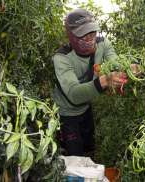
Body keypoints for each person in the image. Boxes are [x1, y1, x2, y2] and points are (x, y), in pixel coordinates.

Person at [52, 8, 128, 157]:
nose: (90, 39)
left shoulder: (103, 44)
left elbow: (116, 63)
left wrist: (128, 69)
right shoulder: (62, 58)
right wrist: (105, 80)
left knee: (89, 148)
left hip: (86, 108)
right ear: (71, 36)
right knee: (74, 156)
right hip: (67, 115)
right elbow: (74, 94)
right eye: (83, 35)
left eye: (92, 33)